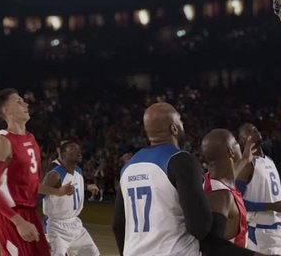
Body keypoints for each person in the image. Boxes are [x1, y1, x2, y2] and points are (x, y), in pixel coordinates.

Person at [112, 103, 264, 256]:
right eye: (180, 120)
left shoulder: (128, 167)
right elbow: (199, 226)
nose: (183, 123)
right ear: (174, 128)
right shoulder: (180, 160)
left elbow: (118, 226)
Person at [0, 88, 71, 256]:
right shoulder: (3, 142)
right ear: (6, 110)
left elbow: (30, 185)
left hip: (30, 214)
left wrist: (57, 192)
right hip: (11, 217)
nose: (26, 103)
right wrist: (18, 222)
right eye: (18, 101)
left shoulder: (30, 138)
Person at [236, 123, 281, 256]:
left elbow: (272, 199)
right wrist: (273, 206)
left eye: (255, 129)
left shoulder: (269, 161)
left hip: (279, 231)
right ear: (243, 141)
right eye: (249, 131)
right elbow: (237, 204)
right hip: (261, 234)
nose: (254, 131)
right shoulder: (246, 166)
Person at [41, 141, 101, 256]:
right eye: (73, 149)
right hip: (56, 227)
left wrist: (87, 187)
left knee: (93, 253)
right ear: (62, 154)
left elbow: (72, 185)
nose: (78, 151)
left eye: (78, 148)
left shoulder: (77, 170)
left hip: (75, 224)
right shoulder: (55, 173)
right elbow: (38, 192)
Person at [201, 129, 248, 248]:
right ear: (231, 152)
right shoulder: (220, 196)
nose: (240, 145)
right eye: (236, 142)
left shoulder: (209, 181)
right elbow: (213, 246)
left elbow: (230, 176)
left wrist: (245, 160)